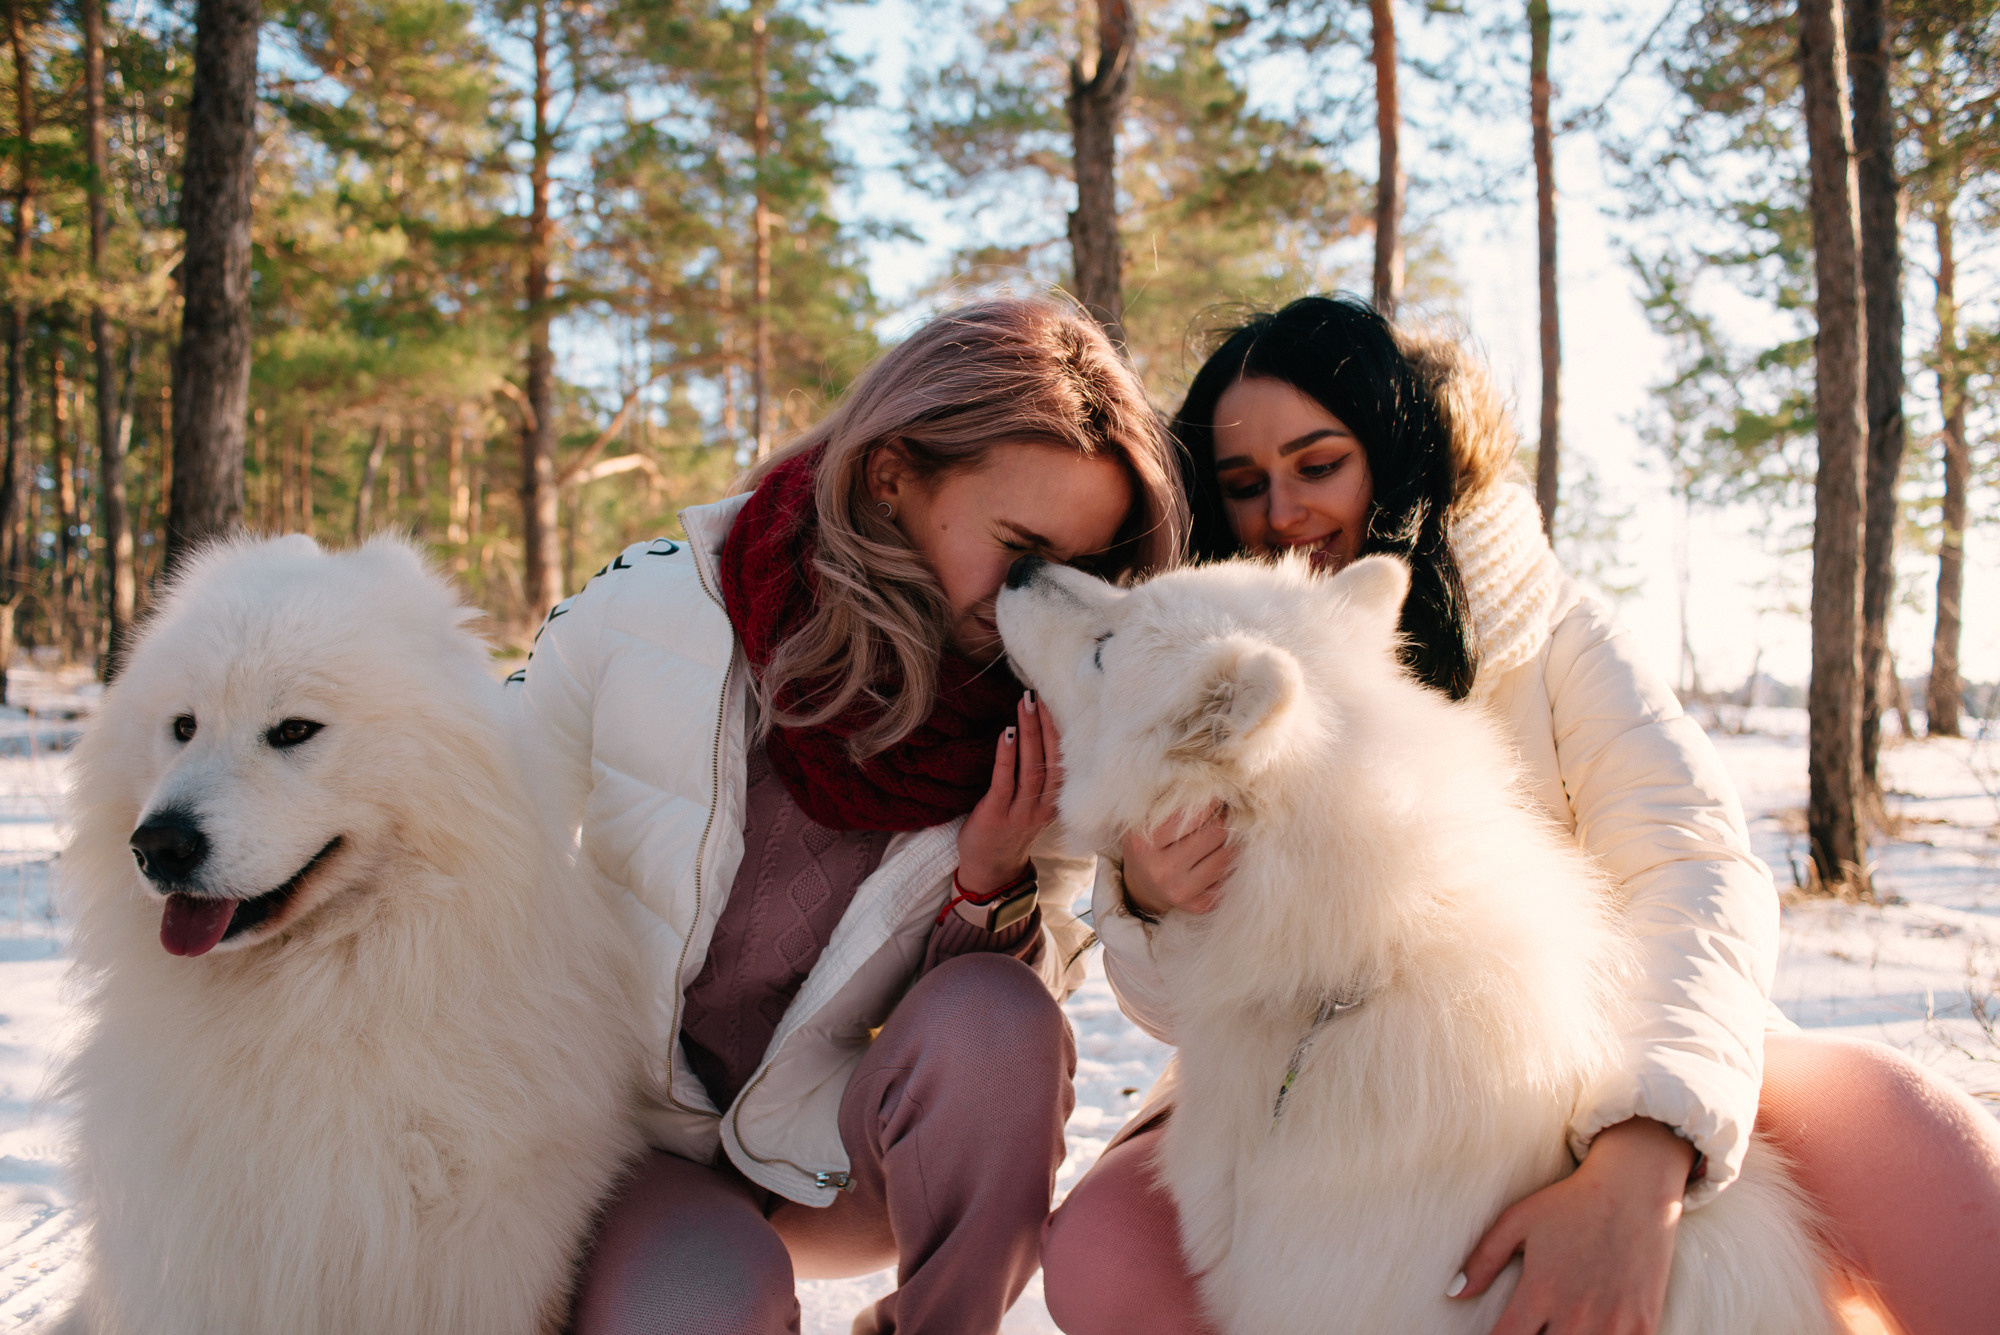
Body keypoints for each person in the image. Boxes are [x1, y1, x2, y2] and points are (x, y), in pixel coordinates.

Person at [1040, 295, 2000, 1335]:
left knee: (1909, 1145)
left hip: (1610, 1024)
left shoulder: (1541, 626)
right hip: (1311, 1075)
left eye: (1317, 465)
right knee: (1102, 1255)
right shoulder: (1193, 671)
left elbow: (1689, 866)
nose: (1280, 512)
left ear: (1391, 453)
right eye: (1241, 485)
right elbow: (1172, 1008)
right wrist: (1152, 898)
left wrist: (1646, 1146)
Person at [508, 297, 1186, 1335]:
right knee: (705, 1307)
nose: (1038, 607)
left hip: (823, 1153)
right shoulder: (656, 611)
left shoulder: (1033, 721)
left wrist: (987, 880)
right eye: (1020, 552)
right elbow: (470, 815)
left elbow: (989, 1072)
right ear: (890, 476)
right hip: (616, 1143)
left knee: (1004, 1025)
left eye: (1083, 571)